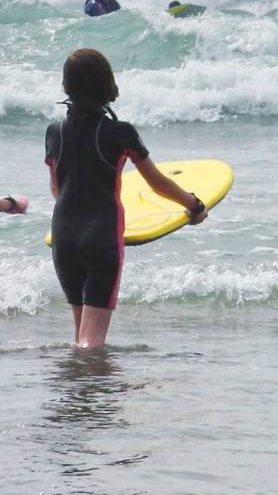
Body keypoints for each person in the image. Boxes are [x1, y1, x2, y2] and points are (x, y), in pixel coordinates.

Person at [45, 48, 206, 349]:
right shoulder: (120, 133)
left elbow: (56, 189)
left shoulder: (54, 132)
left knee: (80, 334)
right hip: (102, 237)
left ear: (67, 86)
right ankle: (93, 390)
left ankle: (77, 391)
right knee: (92, 341)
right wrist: (193, 205)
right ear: (106, 84)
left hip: (63, 237)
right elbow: (157, 183)